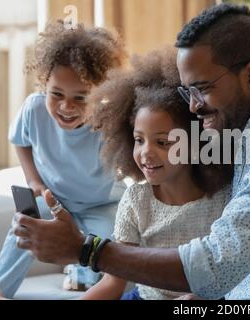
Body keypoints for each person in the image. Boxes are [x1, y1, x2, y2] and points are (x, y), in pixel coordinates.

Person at [13, 4, 250, 300]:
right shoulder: (246, 133)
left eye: (201, 89)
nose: (195, 106)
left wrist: (85, 250)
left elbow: (214, 268)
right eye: (188, 92)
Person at [80, 48, 232, 300]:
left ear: (196, 144)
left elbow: (237, 273)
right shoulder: (136, 200)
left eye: (163, 143)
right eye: (139, 140)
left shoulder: (222, 199)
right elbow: (112, 284)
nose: (146, 153)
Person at [0, 20, 126, 298]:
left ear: (100, 93)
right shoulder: (33, 109)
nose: (67, 106)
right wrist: (33, 180)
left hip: (101, 205)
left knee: (113, 250)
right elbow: (20, 141)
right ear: (45, 84)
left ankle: (82, 274)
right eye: (57, 94)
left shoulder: (108, 123)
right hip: (54, 200)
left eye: (81, 98)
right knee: (24, 227)